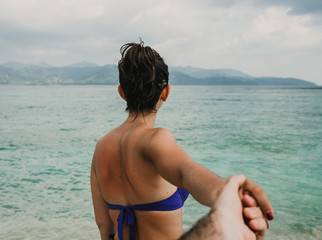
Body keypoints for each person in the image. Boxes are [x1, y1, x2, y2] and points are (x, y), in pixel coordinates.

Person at [91, 42, 274, 240]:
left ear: (121, 92)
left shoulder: (101, 147)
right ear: (166, 92)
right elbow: (186, 172)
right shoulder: (156, 139)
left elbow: (104, 226)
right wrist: (227, 193)